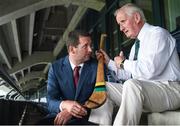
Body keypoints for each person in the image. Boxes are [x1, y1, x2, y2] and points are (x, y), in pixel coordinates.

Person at [89, 3, 180, 125]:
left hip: (170, 90)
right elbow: (129, 75)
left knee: (132, 85)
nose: (121, 28)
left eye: (123, 22)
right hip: (145, 91)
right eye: (119, 24)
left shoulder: (157, 34)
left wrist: (123, 63)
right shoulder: (134, 47)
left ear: (136, 18)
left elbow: (149, 71)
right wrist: (109, 62)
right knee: (104, 88)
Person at [45, 30, 99, 125]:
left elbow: (100, 95)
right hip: (61, 116)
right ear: (72, 50)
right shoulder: (55, 68)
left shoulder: (97, 66)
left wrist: (72, 111)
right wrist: (65, 105)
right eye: (85, 46)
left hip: (88, 116)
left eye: (90, 45)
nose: (90, 50)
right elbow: (50, 100)